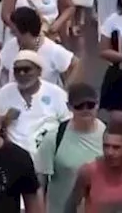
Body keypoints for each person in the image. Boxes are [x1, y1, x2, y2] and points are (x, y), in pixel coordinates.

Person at [35, 82, 106, 213]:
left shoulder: (109, 136)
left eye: (90, 105)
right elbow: (40, 183)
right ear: (69, 107)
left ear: (98, 104)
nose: (85, 110)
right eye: (79, 106)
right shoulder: (54, 138)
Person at [64, 121, 122, 211]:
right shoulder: (88, 172)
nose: (109, 152)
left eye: (116, 147)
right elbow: (71, 206)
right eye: (106, 146)